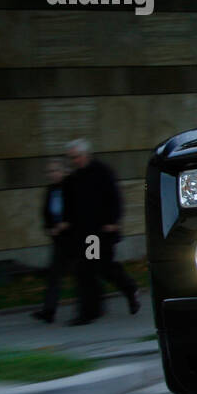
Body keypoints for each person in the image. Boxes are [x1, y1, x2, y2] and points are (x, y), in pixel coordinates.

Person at [63, 138, 140, 325]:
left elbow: (114, 198)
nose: (74, 161)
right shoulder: (74, 178)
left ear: (86, 154)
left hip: (98, 233)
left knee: (90, 269)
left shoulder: (102, 172)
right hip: (85, 232)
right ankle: (127, 290)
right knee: (99, 268)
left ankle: (89, 311)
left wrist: (112, 221)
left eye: (76, 157)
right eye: (71, 158)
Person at [32, 159, 73, 323]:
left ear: (64, 171)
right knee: (54, 275)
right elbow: (45, 212)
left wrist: (65, 224)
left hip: (75, 237)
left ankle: (93, 306)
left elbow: (77, 211)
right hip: (59, 239)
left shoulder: (71, 188)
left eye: (56, 170)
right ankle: (49, 311)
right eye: (50, 172)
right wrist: (50, 228)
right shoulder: (50, 190)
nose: (53, 174)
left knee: (88, 271)